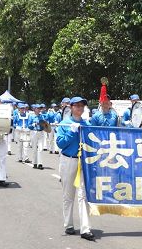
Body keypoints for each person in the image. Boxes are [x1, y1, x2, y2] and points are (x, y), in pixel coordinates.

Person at [55, 97, 95, 241]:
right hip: (68, 160)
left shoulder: (87, 124)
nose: (80, 108)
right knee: (68, 194)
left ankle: (85, 228)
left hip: (83, 162)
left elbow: (92, 142)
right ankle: (69, 224)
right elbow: (60, 144)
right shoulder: (64, 123)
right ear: (71, 107)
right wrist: (71, 132)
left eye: (82, 106)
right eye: (77, 106)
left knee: (83, 195)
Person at [29, 104, 47, 170]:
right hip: (34, 132)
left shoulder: (42, 116)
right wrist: (33, 124)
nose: (39, 110)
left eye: (40, 109)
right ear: (35, 109)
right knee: (34, 148)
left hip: (41, 132)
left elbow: (45, 125)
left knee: (40, 149)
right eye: (38, 108)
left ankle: (40, 163)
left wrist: (44, 125)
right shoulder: (31, 116)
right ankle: (34, 163)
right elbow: (29, 125)